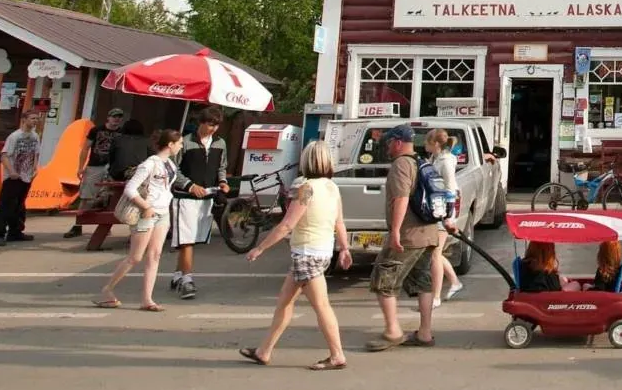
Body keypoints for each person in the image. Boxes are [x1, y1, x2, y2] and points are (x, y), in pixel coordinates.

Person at [240, 141, 352, 370]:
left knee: (321, 306)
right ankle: (264, 351)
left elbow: (286, 225)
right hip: (320, 251)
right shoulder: (332, 187)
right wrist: (345, 248)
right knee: (285, 303)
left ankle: (337, 355)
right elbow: (339, 221)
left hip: (307, 253)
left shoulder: (306, 188)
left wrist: (260, 248)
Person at [95, 130, 187, 311]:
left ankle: (147, 299)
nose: (181, 146)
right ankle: (107, 290)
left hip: (162, 212)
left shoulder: (170, 164)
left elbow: (167, 187)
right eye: (179, 143)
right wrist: (146, 206)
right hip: (148, 212)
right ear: (170, 144)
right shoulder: (150, 164)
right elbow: (130, 188)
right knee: (136, 257)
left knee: (155, 255)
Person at [365, 125, 438, 351]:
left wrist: (395, 230)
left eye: (388, 142)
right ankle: (425, 333)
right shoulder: (422, 161)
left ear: (397, 142)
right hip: (428, 233)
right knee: (423, 282)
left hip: (408, 236)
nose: (387, 147)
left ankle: (392, 332)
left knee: (384, 279)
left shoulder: (401, 165)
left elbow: (401, 198)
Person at [168, 107, 230, 300]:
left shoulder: (220, 143)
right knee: (186, 240)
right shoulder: (185, 142)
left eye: (216, 125)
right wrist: (189, 185)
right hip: (185, 198)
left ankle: (178, 274)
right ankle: (187, 280)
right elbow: (172, 169)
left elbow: (221, 166)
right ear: (201, 123)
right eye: (210, 124)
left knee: (192, 239)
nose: (213, 129)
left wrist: (223, 182)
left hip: (207, 196)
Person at [67, 108, 126, 238]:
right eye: (114, 116)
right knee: (86, 195)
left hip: (112, 166)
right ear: (108, 117)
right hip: (95, 164)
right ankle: (77, 225)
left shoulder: (122, 133)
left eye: (119, 117)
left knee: (107, 196)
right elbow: (85, 147)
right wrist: (81, 167)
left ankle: (104, 225)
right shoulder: (96, 130)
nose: (117, 119)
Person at [424, 129, 465, 307]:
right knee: (435, 253)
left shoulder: (446, 161)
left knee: (435, 254)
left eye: (427, 142)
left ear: (436, 144)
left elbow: (450, 189)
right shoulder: (435, 158)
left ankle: (435, 297)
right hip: (435, 209)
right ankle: (455, 282)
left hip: (442, 211)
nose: (424, 145)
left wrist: (448, 216)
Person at [0, 109, 43, 246]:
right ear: (24, 119)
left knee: (20, 205)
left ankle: (15, 232)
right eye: (32, 118)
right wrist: (12, 171)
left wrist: (34, 168)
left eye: (36, 119)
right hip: (13, 176)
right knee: (5, 205)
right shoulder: (15, 136)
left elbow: (35, 153)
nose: (35, 121)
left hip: (27, 175)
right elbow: (4, 156)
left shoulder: (35, 136)